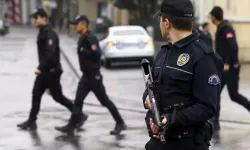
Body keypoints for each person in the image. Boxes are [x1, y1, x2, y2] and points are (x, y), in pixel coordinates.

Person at [143, 0, 223, 150]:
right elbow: (151, 89)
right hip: (159, 143)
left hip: (188, 143)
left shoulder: (204, 56)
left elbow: (208, 107)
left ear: (166, 22)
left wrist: (171, 118)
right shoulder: (163, 53)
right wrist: (148, 104)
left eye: (160, 20)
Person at [55, 15, 127, 135]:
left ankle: (120, 123)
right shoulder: (82, 38)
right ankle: (71, 126)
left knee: (105, 101)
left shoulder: (91, 38)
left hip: (94, 77)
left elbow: (97, 53)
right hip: (86, 77)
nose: (74, 26)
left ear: (83, 24)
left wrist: (85, 51)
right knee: (78, 101)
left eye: (76, 24)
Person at [17, 8, 86, 130]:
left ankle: (79, 115)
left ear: (43, 18)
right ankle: (31, 121)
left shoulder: (49, 33)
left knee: (58, 97)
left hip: (51, 71)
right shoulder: (43, 31)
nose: (34, 20)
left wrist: (40, 67)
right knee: (36, 94)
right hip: (45, 71)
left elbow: (50, 53)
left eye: (36, 18)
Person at [210, 6, 250, 130]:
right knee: (215, 94)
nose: (210, 18)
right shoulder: (221, 28)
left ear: (214, 17)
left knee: (234, 95)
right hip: (223, 69)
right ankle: (215, 121)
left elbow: (233, 46)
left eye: (211, 16)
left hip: (230, 69)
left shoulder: (226, 28)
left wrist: (227, 62)